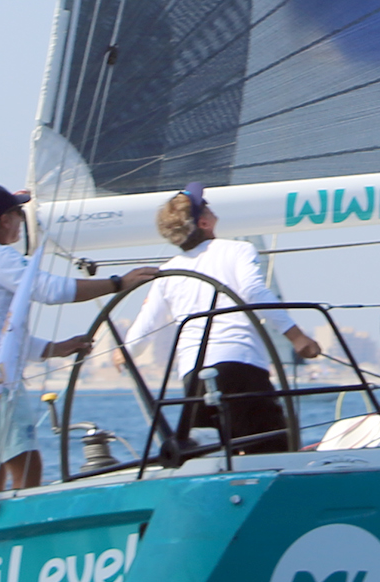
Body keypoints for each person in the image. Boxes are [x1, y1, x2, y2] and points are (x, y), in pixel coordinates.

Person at [0, 184, 157, 492]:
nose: (22, 222)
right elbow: (50, 290)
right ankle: (23, 522)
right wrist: (117, 284)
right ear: (6, 219)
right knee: (27, 466)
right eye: (19, 215)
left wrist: (56, 348)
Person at [123, 184, 319, 452]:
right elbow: (253, 291)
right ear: (203, 222)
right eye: (205, 206)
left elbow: (144, 328)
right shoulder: (238, 250)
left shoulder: (167, 271)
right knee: (271, 451)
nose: (210, 207)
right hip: (240, 366)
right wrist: (296, 337)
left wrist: (124, 352)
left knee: (210, 455)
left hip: (194, 377)